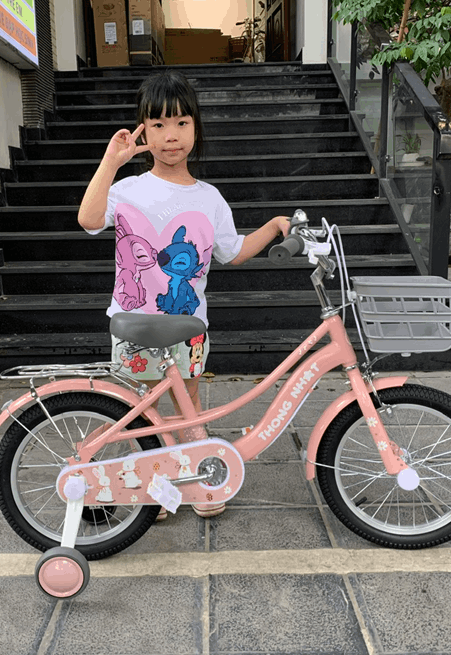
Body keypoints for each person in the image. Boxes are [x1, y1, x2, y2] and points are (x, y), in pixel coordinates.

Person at [78, 70, 290, 518]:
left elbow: (232, 252)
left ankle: (194, 480)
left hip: (189, 327)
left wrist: (273, 227)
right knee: (144, 409)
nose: (170, 135)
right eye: (158, 124)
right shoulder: (127, 189)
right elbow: (89, 219)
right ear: (143, 132)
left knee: (188, 403)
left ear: (196, 127)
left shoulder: (210, 198)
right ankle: (154, 485)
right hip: (136, 324)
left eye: (181, 123)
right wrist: (110, 162)